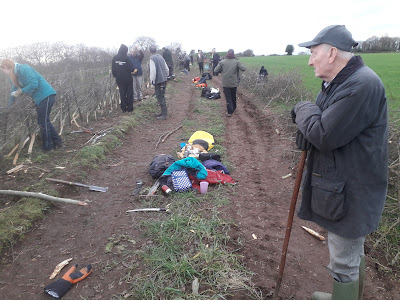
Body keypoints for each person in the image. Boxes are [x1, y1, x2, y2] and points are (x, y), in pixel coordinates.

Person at [292, 25, 388, 300]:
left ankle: (344, 295)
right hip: (346, 183)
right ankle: (346, 296)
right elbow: (323, 127)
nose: (310, 60)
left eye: (313, 53)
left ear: (332, 53)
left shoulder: (361, 85)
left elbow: (323, 133)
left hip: (352, 189)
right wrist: (309, 129)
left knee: (344, 259)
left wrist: (302, 108)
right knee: (350, 253)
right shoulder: (341, 83)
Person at [1, 58, 63, 152]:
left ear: (5, 67)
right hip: (40, 99)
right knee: (45, 121)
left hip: (46, 95)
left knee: (42, 121)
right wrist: (10, 106)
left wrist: (20, 91)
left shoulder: (24, 69)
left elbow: (34, 84)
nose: (3, 72)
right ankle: (58, 143)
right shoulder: (14, 76)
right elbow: (13, 91)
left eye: (3, 70)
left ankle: (48, 147)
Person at [213, 49, 246, 117]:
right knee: (233, 95)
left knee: (228, 97)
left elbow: (215, 70)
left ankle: (229, 112)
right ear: (233, 54)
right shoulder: (236, 61)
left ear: (227, 54)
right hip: (234, 83)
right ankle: (233, 108)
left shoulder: (222, 62)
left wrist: (221, 71)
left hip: (225, 83)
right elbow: (243, 68)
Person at [112, 44, 135, 112]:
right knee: (129, 93)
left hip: (119, 79)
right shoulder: (127, 58)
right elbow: (131, 69)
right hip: (128, 79)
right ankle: (130, 108)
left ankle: (123, 108)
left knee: (122, 93)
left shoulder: (115, 58)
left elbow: (113, 70)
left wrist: (116, 76)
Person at [149, 45, 169, 120]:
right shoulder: (161, 57)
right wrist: (166, 76)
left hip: (158, 81)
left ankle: (164, 114)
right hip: (163, 80)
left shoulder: (152, 59)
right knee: (162, 96)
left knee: (160, 97)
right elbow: (166, 68)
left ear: (150, 51)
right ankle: (162, 112)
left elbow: (153, 71)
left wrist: (152, 81)